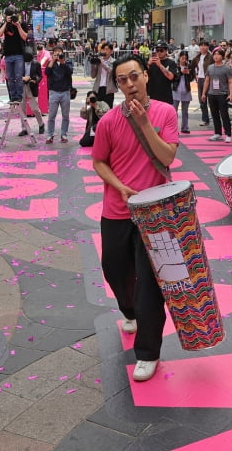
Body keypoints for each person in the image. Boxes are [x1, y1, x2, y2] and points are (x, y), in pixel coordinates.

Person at [92, 55, 180, 383]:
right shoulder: (108, 122)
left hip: (155, 214)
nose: (129, 85)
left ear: (145, 76)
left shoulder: (165, 113)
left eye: (134, 77)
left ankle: (148, 352)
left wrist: (145, 124)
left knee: (150, 285)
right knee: (114, 271)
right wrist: (119, 187)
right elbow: (99, 161)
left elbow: (168, 156)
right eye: (122, 80)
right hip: (116, 210)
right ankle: (128, 312)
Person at [0, 9, 30, 105]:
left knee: (18, 76)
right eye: (9, 16)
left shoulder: (22, 24)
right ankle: (12, 97)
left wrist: (18, 25)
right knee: (10, 78)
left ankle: (19, 97)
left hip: (19, 54)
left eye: (12, 15)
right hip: (8, 55)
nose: (11, 17)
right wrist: (6, 23)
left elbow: (24, 37)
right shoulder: (5, 24)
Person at [201, 49, 232, 142]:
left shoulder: (226, 68)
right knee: (214, 114)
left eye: (218, 55)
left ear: (222, 56)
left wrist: (231, 94)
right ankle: (217, 133)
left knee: (224, 114)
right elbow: (207, 80)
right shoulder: (210, 67)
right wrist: (204, 93)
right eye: (215, 54)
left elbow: (231, 82)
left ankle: (228, 134)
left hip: (222, 94)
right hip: (211, 94)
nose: (216, 56)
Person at [44, 46, 73, 143]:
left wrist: (62, 62)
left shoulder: (67, 62)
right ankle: (50, 135)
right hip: (53, 91)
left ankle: (64, 134)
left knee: (65, 115)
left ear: (62, 53)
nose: (58, 54)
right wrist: (52, 61)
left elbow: (70, 72)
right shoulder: (51, 63)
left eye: (59, 52)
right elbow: (47, 72)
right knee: (51, 115)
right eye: (55, 53)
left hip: (65, 92)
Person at [172, 52, 194, 134]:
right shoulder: (175, 66)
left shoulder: (189, 66)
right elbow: (173, 77)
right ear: (179, 58)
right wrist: (181, 72)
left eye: (185, 59)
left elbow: (192, 78)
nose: (184, 60)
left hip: (186, 90)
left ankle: (185, 127)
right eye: (182, 58)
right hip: (176, 90)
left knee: (185, 111)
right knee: (174, 111)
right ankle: (174, 129)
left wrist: (188, 74)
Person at [90, 42, 115, 108]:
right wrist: (93, 63)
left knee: (108, 110)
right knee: (97, 109)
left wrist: (102, 64)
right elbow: (93, 75)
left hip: (108, 89)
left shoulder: (114, 61)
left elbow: (111, 72)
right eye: (103, 49)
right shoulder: (99, 60)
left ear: (111, 51)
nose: (105, 51)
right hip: (98, 88)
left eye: (107, 49)